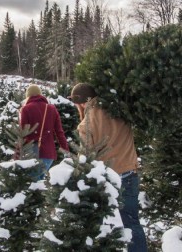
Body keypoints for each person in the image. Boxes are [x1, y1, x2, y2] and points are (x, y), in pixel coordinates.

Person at [69, 83, 147, 252]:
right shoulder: (120, 109)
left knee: (98, 223)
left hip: (107, 179)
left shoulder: (86, 124)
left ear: (82, 102)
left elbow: (86, 158)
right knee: (132, 221)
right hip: (129, 173)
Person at [19, 84, 69, 179]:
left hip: (32, 154)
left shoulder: (26, 109)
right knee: (41, 185)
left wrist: (18, 154)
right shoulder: (51, 108)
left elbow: (22, 134)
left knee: (33, 187)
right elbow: (59, 132)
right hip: (49, 154)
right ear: (40, 95)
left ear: (28, 96)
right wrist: (66, 151)